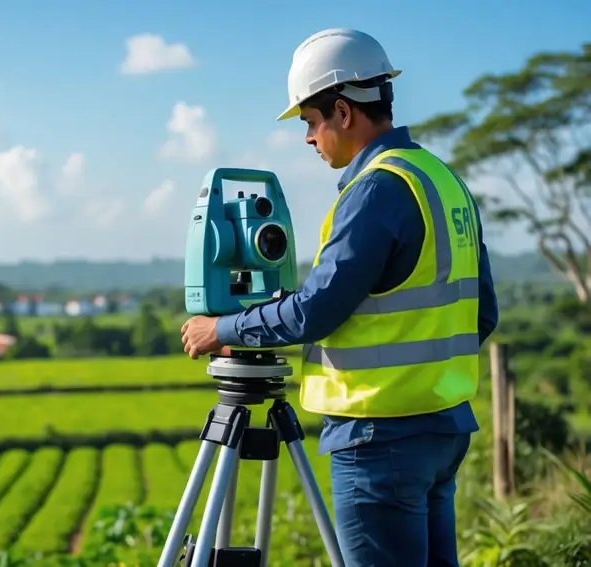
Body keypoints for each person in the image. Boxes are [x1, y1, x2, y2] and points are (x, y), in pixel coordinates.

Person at [180, 28, 499, 567]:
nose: (308, 137)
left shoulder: (375, 188)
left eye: (310, 121)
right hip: (442, 428)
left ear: (344, 112)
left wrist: (223, 329)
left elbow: (317, 309)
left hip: (379, 439)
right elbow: (481, 312)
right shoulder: (442, 180)